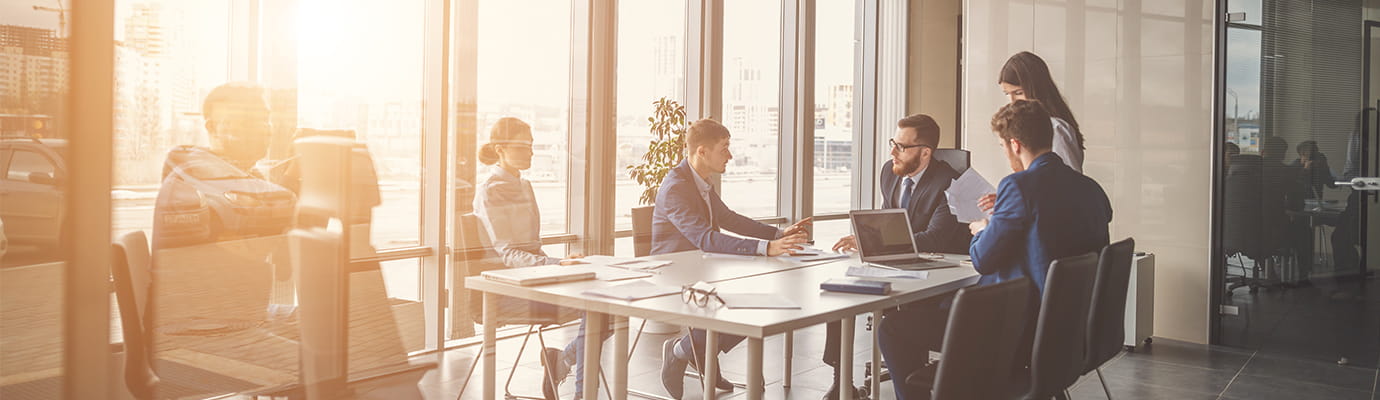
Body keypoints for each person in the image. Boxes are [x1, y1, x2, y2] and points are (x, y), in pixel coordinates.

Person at [876, 99, 1110, 400]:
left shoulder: (1018, 186)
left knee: (894, 328)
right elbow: (1054, 233)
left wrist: (984, 228)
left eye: (1002, 146)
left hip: (1015, 328)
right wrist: (1006, 214)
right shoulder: (1091, 189)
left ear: (1014, 145)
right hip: (1068, 329)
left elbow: (983, 259)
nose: (1005, 153)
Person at [653, 118, 812, 399]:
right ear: (701, 152)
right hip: (674, 275)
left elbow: (727, 219)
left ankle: (694, 350)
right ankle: (682, 351)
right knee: (740, 307)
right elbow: (705, 238)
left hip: (701, 270)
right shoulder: (676, 187)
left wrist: (777, 233)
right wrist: (766, 247)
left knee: (752, 304)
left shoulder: (700, 182)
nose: (730, 155)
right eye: (724, 148)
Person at [822, 113, 971, 400]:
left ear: (925, 152)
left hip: (939, 272)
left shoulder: (950, 183)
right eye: (894, 143)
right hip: (898, 264)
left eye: (901, 146)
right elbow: (886, 221)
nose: (893, 152)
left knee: (897, 321)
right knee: (842, 293)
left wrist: (882, 245)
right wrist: (867, 241)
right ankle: (841, 381)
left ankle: (913, 383)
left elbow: (934, 237)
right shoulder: (889, 173)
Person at [472, 117, 600, 400]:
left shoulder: (524, 185)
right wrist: (555, 265)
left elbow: (530, 248)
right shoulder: (490, 190)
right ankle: (580, 390)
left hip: (533, 279)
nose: (531, 152)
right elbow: (507, 253)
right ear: (500, 148)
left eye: (531, 146)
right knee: (597, 310)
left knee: (607, 308)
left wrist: (561, 262)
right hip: (506, 289)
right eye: (523, 146)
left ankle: (562, 362)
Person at [997, 51, 1085, 172]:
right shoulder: (1026, 126)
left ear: (1037, 89)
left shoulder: (1056, 129)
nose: (1012, 102)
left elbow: (1070, 182)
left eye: (1018, 93)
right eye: (1007, 94)